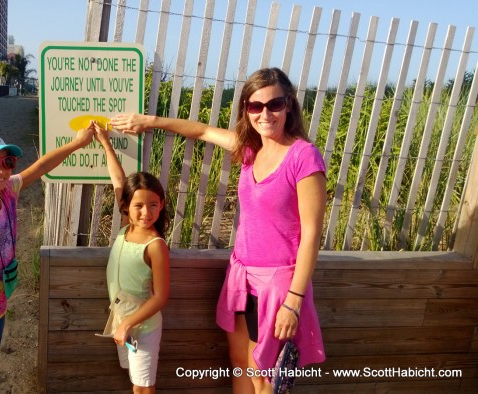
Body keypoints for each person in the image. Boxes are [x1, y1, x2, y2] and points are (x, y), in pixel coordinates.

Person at [110, 67, 326, 393]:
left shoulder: (303, 156)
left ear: (289, 105)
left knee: (263, 376)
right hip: (242, 275)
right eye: (255, 106)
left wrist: (293, 301)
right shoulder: (251, 149)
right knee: (239, 361)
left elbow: (311, 234)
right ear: (246, 109)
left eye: (274, 104)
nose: (265, 113)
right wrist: (148, 121)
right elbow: (200, 131)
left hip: (277, 285)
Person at [0, 128, 94, 393]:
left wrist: (77, 143)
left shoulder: (8, 192)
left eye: (7, 162)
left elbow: (42, 165)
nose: (2, 170)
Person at [94, 121, 170, 393]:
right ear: (126, 207)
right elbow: (118, 179)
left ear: (161, 205)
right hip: (121, 321)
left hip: (143, 327)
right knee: (133, 380)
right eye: (138, 205)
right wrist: (105, 142)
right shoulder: (126, 226)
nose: (146, 212)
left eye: (153, 205)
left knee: (143, 388)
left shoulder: (155, 245)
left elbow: (161, 297)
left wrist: (128, 323)